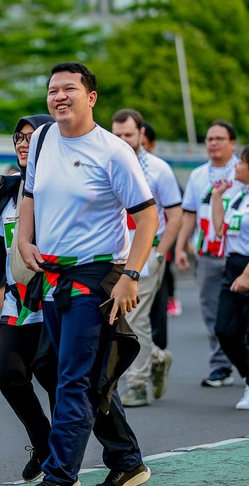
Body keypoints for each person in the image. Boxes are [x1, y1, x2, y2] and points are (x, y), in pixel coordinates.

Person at [18, 62, 157, 486]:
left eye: (69, 89)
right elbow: (29, 194)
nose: (59, 97)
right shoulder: (42, 139)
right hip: (51, 275)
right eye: (52, 90)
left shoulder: (113, 151)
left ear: (91, 97)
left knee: (73, 380)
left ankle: (59, 476)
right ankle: (127, 459)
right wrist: (24, 239)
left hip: (94, 277)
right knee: (58, 370)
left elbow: (147, 217)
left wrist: (130, 275)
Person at [0, 114, 58, 482]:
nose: (23, 144)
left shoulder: (61, 185)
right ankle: (43, 444)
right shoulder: (8, 189)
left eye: (31, 137)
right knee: (8, 374)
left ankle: (66, 456)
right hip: (18, 301)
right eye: (19, 138)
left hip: (57, 296)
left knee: (54, 376)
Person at [111, 110, 182, 407]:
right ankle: (156, 357)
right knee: (115, 318)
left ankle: (137, 384)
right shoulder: (106, 161)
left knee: (136, 316)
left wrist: (160, 253)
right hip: (113, 254)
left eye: (128, 134)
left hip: (147, 252)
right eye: (117, 135)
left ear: (141, 134)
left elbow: (175, 214)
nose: (123, 140)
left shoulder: (159, 169)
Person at [175, 120, 240, 387]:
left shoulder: (242, 171)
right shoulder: (198, 175)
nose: (213, 143)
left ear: (232, 143)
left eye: (219, 139)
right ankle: (220, 366)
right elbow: (189, 214)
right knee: (212, 312)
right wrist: (180, 246)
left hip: (238, 253)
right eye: (209, 139)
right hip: (207, 255)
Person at [211, 146, 249, 409]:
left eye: (241, 163)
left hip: (247, 267)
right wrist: (217, 197)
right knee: (224, 330)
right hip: (232, 267)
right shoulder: (239, 195)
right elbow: (219, 229)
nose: (236, 166)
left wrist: (247, 274)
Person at [142, 122, 182, 318]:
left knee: (164, 273)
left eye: (144, 143)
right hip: (128, 242)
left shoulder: (160, 169)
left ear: (151, 145)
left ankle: (170, 297)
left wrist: (163, 249)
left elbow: (177, 210)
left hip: (159, 236)